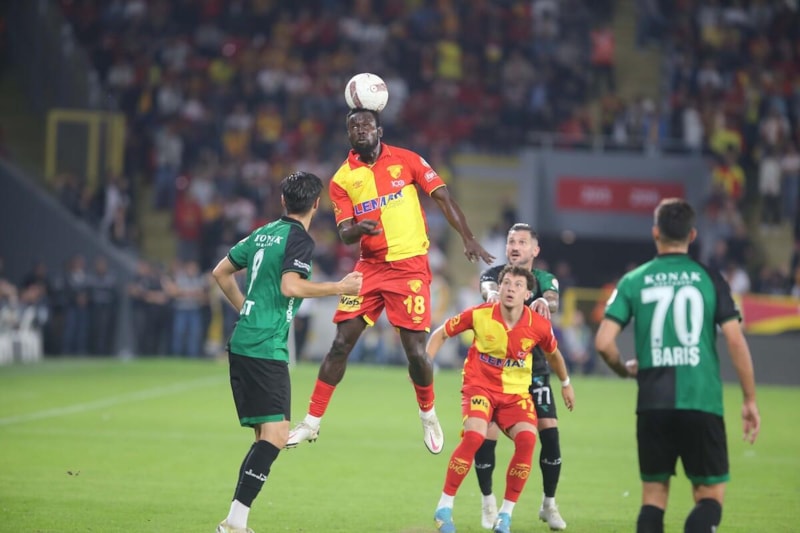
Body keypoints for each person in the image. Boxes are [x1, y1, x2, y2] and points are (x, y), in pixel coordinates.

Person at [287, 108, 494, 453]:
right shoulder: (342, 179)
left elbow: (443, 197)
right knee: (340, 344)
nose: (361, 129)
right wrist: (359, 229)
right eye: (354, 126)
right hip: (369, 267)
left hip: (409, 267)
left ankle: (428, 414)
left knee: (415, 353)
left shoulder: (407, 160)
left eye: (367, 124)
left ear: (379, 130)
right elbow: (344, 234)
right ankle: (311, 422)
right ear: (348, 135)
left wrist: (468, 237)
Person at [594, 198, 760, 533]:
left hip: (652, 404)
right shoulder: (709, 278)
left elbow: (603, 343)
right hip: (701, 401)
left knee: (653, 497)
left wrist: (624, 370)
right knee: (709, 496)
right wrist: (749, 399)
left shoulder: (634, 280)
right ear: (692, 234)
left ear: (655, 232)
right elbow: (735, 340)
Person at [211, 171, 363, 533]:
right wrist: (339, 287)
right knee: (277, 435)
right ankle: (233, 523)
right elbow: (291, 286)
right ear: (317, 204)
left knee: (266, 437)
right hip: (265, 346)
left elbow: (220, 273)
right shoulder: (299, 239)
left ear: (283, 201)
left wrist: (246, 310)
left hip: (245, 340)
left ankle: (236, 522)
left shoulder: (262, 233)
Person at [428, 265, 575, 533]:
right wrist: (425, 365)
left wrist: (565, 384)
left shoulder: (538, 325)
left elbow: (554, 355)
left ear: (527, 294)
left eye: (518, 285)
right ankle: (444, 508)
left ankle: (505, 516)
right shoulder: (480, 314)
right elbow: (441, 333)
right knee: (474, 436)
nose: (510, 289)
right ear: (500, 287)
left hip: (515, 394)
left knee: (528, 439)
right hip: (479, 387)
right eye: (506, 283)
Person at [474, 223, 568, 530]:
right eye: (511, 241)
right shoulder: (494, 275)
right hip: (495, 371)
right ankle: (488, 501)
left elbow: (553, 299)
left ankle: (549, 504)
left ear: (535, 250)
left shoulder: (544, 280)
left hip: (534, 369)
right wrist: (492, 295)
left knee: (549, 432)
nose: (515, 247)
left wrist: (544, 302)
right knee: (486, 435)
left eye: (522, 242)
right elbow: (488, 290)